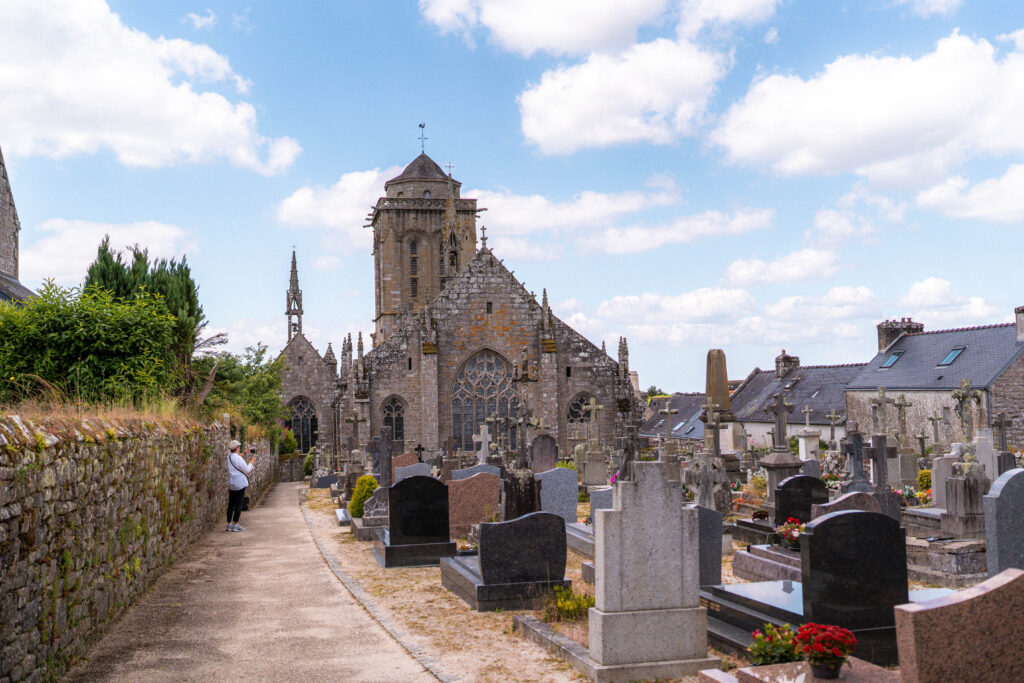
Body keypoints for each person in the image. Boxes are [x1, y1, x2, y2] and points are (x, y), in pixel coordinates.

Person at [226, 440, 255, 532]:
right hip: (240, 483)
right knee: (238, 505)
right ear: (237, 448)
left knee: (231, 504)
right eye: (239, 446)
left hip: (232, 483)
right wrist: (251, 462)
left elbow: (236, 457)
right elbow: (247, 469)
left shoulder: (229, 456)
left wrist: (245, 453)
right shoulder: (238, 459)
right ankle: (236, 524)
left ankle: (229, 524)